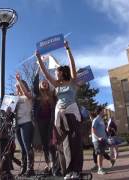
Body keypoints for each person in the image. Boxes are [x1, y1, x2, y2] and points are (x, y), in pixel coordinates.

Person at [36, 41, 83, 180]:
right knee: (63, 144)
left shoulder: (72, 82)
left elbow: (72, 65)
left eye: (57, 72)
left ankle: (76, 170)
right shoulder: (56, 84)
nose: (55, 74)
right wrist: (39, 58)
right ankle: (66, 171)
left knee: (74, 141)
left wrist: (67, 49)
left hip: (71, 113)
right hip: (59, 115)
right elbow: (45, 72)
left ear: (62, 73)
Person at [33, 70, 59, 175]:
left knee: (52, 144)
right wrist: (38, 70)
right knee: (45, 145)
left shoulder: (52, 95)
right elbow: (35, 83)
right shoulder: (38, 94)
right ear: (40, 85)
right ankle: (48, 165)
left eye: (46, 82)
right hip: (40, 122)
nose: (45, 83)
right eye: (42, 82)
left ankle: (54, 167)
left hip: (51, 122)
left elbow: (56, 85)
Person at [15, 73, 35, 177]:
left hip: (26, 123)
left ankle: (30, 169)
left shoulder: (28, 95)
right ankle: (23, 168)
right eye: (16, 86)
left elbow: (27, 94)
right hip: (17, 125)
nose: (17, 87)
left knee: (27, 147)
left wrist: (19, 80)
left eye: (18, 85)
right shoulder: (15, 98)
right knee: (22, 148)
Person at [91, 107, 115, 175]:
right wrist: (98, 137)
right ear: (100, 111)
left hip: (103, 139)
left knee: (101, 154)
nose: (104, 111)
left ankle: (101, 167)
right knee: (99, 154)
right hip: (97, 140)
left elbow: (103, 130)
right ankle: (99, 169)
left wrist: (107, 137)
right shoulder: (96, 119)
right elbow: (93, 130)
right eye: (103, 110)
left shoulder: (101, 119)